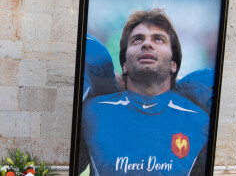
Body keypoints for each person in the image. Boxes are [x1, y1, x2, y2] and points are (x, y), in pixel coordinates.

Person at [80, 9, 211, 175]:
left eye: (158, 39)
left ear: (173, 65)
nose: (146, 44)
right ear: (125, 65)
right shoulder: (90, 113)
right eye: (137, 40)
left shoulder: (200, 121)